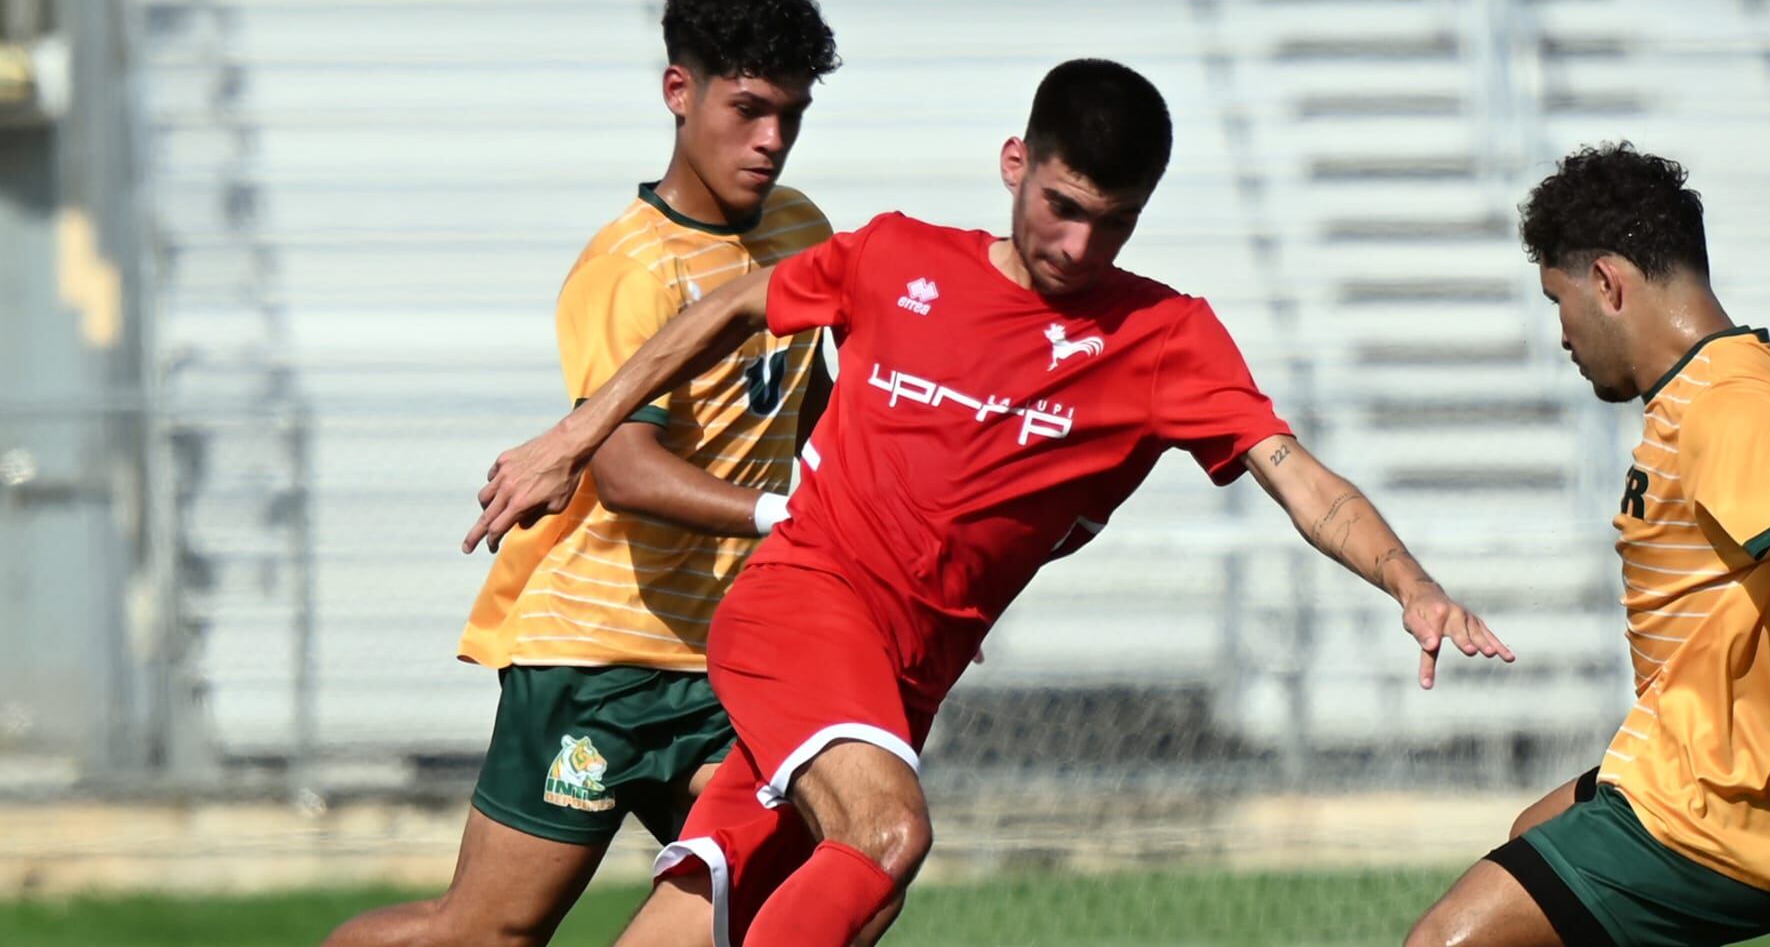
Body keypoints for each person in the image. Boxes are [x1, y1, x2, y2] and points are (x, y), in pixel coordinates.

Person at [465, 58, 1515, 947]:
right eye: (1062, 207)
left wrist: (1409, 582)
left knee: (723, 915)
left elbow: (1298, 477)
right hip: (798, 607)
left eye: (1113, 223)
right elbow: (737, 304)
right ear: (1015, 163)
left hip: (899, 684)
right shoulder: (898, 257)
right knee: (885, 836)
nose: (1078, 248)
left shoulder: (1165, 341)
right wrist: (575, 435)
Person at [322, 0, 841, 947]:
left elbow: (808, 405)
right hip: (596, 660)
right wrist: (791, 518)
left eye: (791, 114)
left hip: (722, 662)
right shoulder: (630, 269)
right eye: (748, 109)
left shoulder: (800, 230)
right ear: (678, 92)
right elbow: (628, 472)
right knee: (485, 933)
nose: (771, 139)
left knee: (785, 899)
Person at [1404, 144, 1770, 947]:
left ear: (1607, 283)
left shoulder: (1730, 402)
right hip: (1697, 771)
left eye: (1558, 301)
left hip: (1736, 808)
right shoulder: (1713, 388)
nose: (1562, 334)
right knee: (1532, 837)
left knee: (1444, 943)